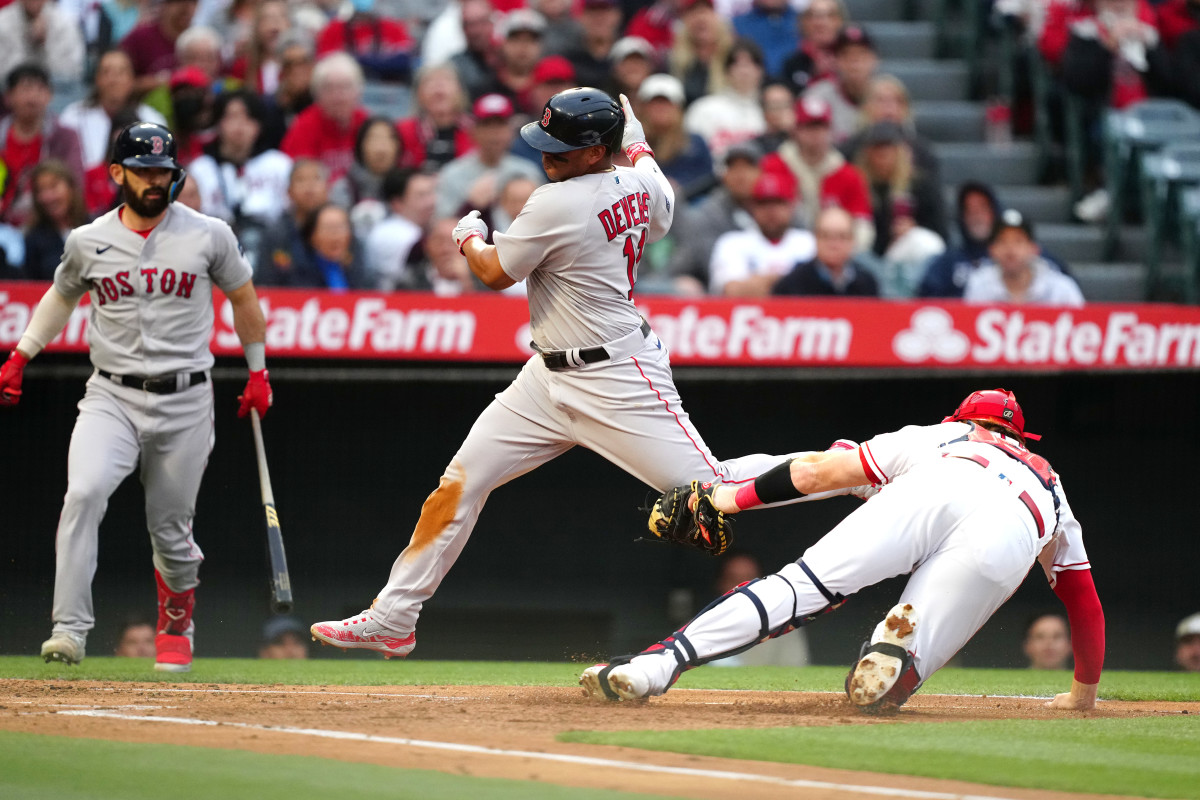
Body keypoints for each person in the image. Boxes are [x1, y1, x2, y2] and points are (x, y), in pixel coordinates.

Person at [309, 88, 803, 659]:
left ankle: (850, 468)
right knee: (460, 484)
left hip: (616, 376)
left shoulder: (557, 202)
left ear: (596, 152)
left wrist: (468, 237)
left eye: (561, 148)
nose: (546, 156)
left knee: (716, 488)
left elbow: (494, 273)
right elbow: (661, 199)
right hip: (544, 379)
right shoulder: (641, 182)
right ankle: (394, 617)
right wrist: (639, 143)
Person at [581, 389, 1105, 714]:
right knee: (891, 687)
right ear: (1018, 436)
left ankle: (656, 665)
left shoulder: (939, 436)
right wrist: (1083, 693)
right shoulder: (1052, 485)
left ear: (964, 419)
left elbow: (812, 472)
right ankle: (896, 655)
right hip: (1012, 531)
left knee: (797, 587)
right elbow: (1084, 601)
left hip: (933, 486)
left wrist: (725, 497)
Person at [0, 122, 271, 673]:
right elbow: (59, 297)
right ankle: (69, 630)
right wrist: (22, 354)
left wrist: (258, 371)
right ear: (118, 173)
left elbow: (243, 297)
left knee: (170, 533)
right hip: (111, 396)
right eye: (145, 171)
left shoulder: (209, 234)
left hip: (186, 399)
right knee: (84, 494)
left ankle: (176, 615)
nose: (156, 181)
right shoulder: (88, 239)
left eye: (164, 172)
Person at [60, 49, 169, 217]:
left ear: (132, 79)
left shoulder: (152, 119)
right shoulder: (73, 116)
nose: (114, 80)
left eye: (121, 72)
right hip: (81, 202)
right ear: (96, 79)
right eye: (106, 72)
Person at [761, 95, 873, 252]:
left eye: (821, 127)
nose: (816, 134)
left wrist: (846, 250)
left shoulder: (848, 174)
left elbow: (862, 225)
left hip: (838, 250)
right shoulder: (773, 166)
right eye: (809, 127)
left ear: (831, 130)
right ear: (796, 130)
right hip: (785, 250)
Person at [187, 89, 293, 240]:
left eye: (248, 117)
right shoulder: (201, 169)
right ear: (219, 123)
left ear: (259, 125)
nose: (240, 125)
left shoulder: (279, 164)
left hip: (271, 244)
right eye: (232, 117)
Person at [667, 140, 762, 292]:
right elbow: (709, 263)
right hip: (709, 287)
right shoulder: (708, 212)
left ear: (761, 173)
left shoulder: (775, 204)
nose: (741, 176)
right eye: (734, 168)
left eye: (748, 167)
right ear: (723, 175)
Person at [0, 64, 86, 229]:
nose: (33, 97)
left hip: (48, 225)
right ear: (9, 97)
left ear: (50, 95)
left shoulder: (65, 137)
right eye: (26, 89)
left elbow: (75, 186)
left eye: (40, 89)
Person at [433, 93, 544, 220]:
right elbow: (442, 229)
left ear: (511, 130)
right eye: (487, 125)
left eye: (500, 124)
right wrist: (470, 206)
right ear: (473, 131)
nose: (494, 133)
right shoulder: (452, 174)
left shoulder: (528, 171)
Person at [709, 169, 815, 296]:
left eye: (778, 202)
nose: (771, 211)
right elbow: (732, 292)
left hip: (802, 316)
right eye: (764, 203)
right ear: (752, 207)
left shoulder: (809, 243)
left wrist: (762, 282)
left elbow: (822, 292)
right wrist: (790, 281)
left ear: (791, 206)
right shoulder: (731, 243)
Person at [708, 551, 810, 667]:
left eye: (749, 580)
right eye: (734, 579)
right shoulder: (699, 627)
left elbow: (795, 673)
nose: (742, 587)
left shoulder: (783, 627)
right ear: (720, 583)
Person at [963, 210, 1085, 306]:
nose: (1010, 250)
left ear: (1034, 249)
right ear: (991, 250)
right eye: (1002, 241)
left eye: (1018, 241)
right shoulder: (979, 284)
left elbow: (1083, 326)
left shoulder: (1061, 288)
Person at [280, 52, 370, 181]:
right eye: (329, 89)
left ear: (358, 92)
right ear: (317, 95)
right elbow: (297, 179)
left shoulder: (366, 123)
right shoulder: (303, 127)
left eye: (345, 87)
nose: (338, 97)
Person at [635, 74, 714, 202]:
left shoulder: (695, 143)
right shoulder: (630, 144)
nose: (660, 108)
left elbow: (709, 180)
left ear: (678, 108)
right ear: (642, 108)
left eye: (667, 103)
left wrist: (681, 188)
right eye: (654, 103)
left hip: (688, 207)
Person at [684, 38, 767, 159]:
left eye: (750, 64)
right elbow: (691, 153)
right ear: (727, 71)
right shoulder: (704, 109)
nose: (744, 71)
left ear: (760, 71)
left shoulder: (771, 111)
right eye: (737, 65)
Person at [773, 206, 878, 296]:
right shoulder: (792, 283)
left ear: (853, 241)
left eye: (842, 237)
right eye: (826, 236)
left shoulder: (867, 283)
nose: (834, 244)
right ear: (815, 239)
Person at [255, 158, 329, 283]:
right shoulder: (275, 234)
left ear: (328, 189)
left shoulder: (340, 229)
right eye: (301, 180)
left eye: (316, 179)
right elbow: (265, 283)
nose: (309, 187)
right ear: (288, 192)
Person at [365, 166, 439, 290]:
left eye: (431, 193)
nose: (431, 202)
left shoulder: (420, 229)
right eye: (421, 196)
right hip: (393, 304)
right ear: (397, 203)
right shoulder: (390, 233)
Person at [803, 24, 878, 144]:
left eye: (861, 54)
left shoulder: (888, 97)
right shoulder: (817, 96)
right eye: (846, 55)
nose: (854, 61)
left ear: (874, 59)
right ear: (835, 61)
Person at [21, 161, 91, 281]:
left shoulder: (95, 228)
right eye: (40, 190)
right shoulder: (34, 238)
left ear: (71, 187)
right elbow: (30, 284)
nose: (47, 197)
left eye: (53, 186)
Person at [121, 0, 198, 96]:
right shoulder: (140, 38)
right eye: (179, 2)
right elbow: (118, 83)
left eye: (193, 2)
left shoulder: (201, 41)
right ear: (164, 5)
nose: (186, 8)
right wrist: (155, 83)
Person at [0, 0, 86, 86]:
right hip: (11, 90)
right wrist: (30, 44)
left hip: (57, 90)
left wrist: (43, 47)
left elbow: (72, 73)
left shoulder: (65, 23)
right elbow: (3, 73)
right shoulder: (2, 22)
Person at [780, 0, 844, 96]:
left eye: (829, 16)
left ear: (839, 21)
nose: (821, 23)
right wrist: (814, 75)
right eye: (813, 16)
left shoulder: (854, 55)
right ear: (803, 23)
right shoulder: (792, 63)